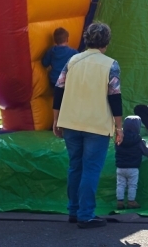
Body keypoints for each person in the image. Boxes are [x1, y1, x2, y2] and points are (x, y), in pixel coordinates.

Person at [52, 22, 123, 229]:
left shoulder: (72, 60)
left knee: (75, 166)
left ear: (86, 39)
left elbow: (59, 90)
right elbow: (115, 97)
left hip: (71, 121)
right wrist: (119, 127)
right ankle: (85, 214)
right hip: (97, 124)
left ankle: (73, 210)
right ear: (106, 42)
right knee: (90, 169)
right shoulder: (111, 64)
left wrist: (56, 119)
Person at [115, 115, 148, 210]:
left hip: (120, 167)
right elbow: (147, 153)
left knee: (120, 184)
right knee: (132, 185)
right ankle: (131, 202)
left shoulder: (120, 138)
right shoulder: (139, 140)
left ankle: (120, 202)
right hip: (133, 168)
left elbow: (116, 148)